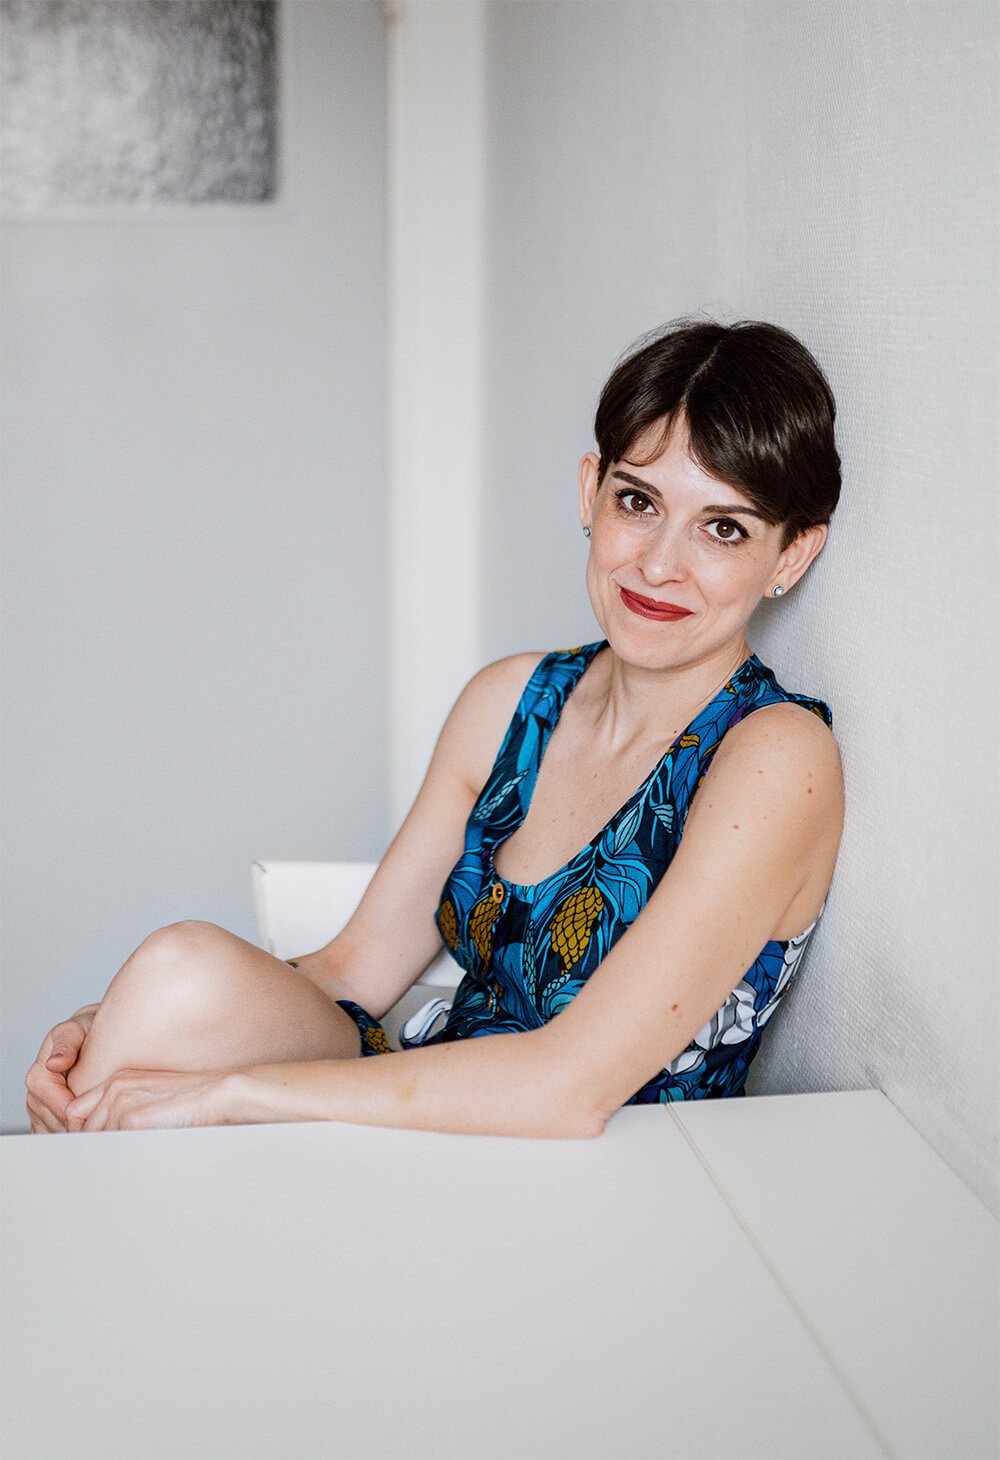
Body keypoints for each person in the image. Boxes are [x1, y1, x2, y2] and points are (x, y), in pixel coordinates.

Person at [25, 318, 844, 1138]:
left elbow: (569, 1088)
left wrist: (234, 1091)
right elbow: (351, 972)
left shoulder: (775, 755)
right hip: (427, 1116)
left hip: (603, 1184)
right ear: (590, 491)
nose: (660, 563)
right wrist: (128, 1024)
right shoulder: (512, 702)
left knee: (179, 1083)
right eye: (639, 501)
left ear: (792, 557)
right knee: (177, 973)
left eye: (723, 527)